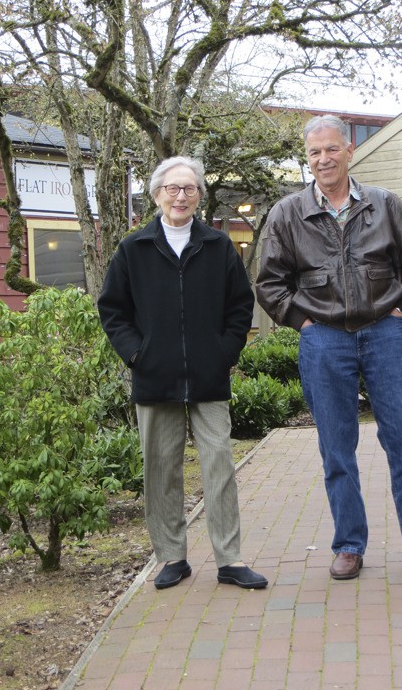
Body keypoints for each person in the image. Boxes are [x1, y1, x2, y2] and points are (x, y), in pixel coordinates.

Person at [256, 115, 402, 580]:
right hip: (324, 340)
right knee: (337, 447)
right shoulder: (287, 213)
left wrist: (400, 309)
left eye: (331, 149)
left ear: (349, 151)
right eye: (314, 153)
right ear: (306, 158)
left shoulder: (384, 204)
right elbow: (269, 283)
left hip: (383, 334)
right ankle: (349, 545)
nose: (323, 159)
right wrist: (304, 322)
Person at [98, 156, 267, 590]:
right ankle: (172, 556)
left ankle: (229, 559)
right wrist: (137, 355)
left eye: (189, 188)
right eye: (172, 188)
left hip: (209, 379)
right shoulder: (133, 249)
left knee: (219, 466)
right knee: (161, 469)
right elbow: (112, 310)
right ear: (157, 195)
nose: (180, 196)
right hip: (154, 379)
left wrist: (225, 352)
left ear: (198, 196)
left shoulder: (217, 246)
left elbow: (240, 306)